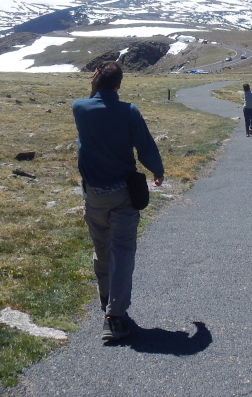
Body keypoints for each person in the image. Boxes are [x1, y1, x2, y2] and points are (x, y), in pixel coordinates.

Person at [72, 60, 164, 342]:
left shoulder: (80, 108)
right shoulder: (129, 111)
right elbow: (145, 146)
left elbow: (92, 106)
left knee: (103, 248)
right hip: (124, 194)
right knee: (122, 251)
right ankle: (115, 315)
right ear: (120, 85)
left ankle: (105, 298)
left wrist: (93, 87)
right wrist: (157, 170)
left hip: (94, 194)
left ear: (96, 81)